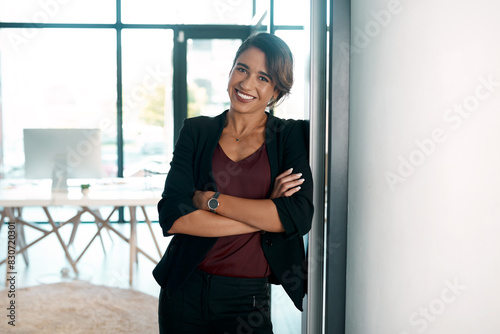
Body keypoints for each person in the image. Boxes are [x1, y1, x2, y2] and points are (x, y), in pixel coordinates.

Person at [153, 32, 314, 334]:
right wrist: (267, 215)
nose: (247, 84)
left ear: (276, 92)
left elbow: (298, 216)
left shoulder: (291, 136)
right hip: (184, 288)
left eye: (263, 77)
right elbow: (173, 217)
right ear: (230, 71)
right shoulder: (197, 131)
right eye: (242, 69)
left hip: (247, 298)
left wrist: (211, 201)